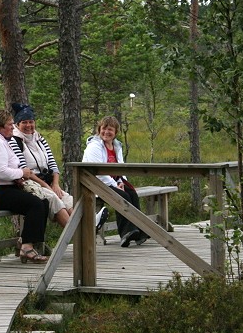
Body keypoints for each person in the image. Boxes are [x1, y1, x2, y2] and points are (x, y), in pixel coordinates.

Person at [0, 108, 49, 264]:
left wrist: (19, 175)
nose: (13, 128)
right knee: (35, 204)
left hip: (4, 188)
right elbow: (0, 172)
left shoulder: (2, 141)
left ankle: (28, 243)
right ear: (0, 126)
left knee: (42, 201)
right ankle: (27, 247)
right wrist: (22, 173)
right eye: (10, 125)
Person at [82, 116, 147, 247]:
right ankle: (126, 233)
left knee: (132, 194)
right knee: (122, 196)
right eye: (104, 128)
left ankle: (140, 230)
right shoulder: (94, 146)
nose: (106, 132)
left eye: (110, 129)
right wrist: (115, 184)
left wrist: (122, 180)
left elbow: (121, 167)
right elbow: (99, 172)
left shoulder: (116, 146)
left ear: (115, 132)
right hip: (97, 183)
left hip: (113, 181)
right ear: (99, 129)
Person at [8, 103, 76, 228]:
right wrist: (46, 186)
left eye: (31, 122)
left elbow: (53, 164)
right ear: (17, 124)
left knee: (67, 199)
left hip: (47, 180)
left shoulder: (39, 139)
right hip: (31, 183)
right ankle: (77, 235)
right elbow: (24, 170)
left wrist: (55, 184)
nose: (28, 125)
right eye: (24, 122)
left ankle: (89, 230)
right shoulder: (15, 141)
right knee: (54, 199)